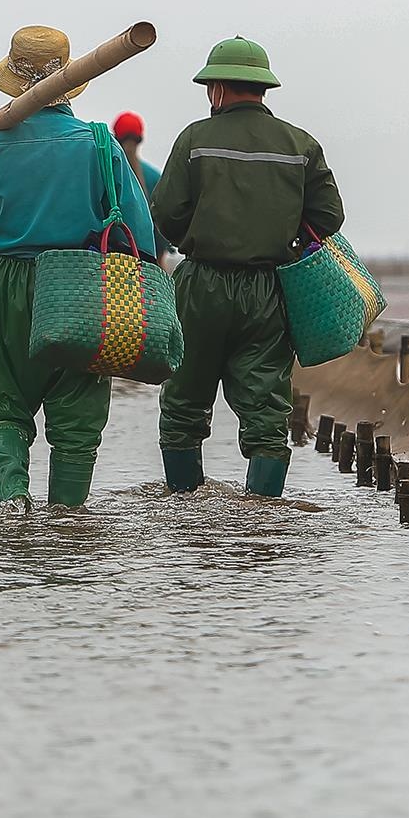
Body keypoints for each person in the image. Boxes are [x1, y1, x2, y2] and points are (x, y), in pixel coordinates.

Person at [0, 26, 158, 510]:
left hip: (7, 285)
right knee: (76, 418)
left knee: (0, 405)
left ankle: (14, 505)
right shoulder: (99, 144)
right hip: (79, 288)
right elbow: (141, 234)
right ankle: (67, 527)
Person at [151, 37, 344, 499]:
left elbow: (165, 213)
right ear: (262, 88)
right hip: (268, 290)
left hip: (200, 288)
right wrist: (286, 240)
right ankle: (261, 519)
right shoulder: (301, 145)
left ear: (217, 88)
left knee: (183, 403)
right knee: (266, 410)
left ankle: (182, 510)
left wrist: (193, 241)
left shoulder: (195, 139)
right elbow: (330, 216)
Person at [113, 112, 170, 261]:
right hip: (147, 262)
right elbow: (161, 229)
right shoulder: (154, 178)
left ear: (115, 137)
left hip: (110, 263)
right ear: (141, 139)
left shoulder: (105, 173)